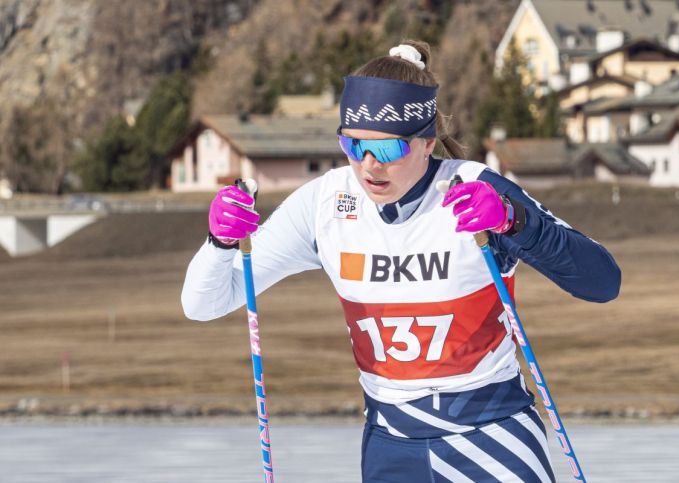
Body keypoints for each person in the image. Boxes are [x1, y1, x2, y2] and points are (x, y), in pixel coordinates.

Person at [182, 39, 620, 482]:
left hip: (491, 435)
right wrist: (219, 243)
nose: (370, 165)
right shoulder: (326, 203)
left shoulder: (472, 188)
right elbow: (204, 304)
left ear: (427, 143)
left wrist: (514, 221)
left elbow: (602, 282)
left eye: (388, 150)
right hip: (391, 444)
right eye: (353, 146)